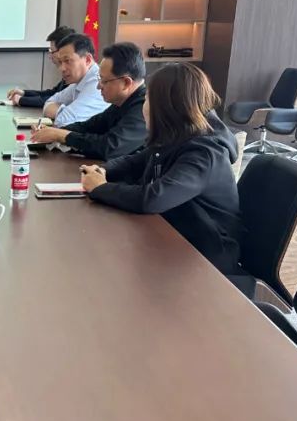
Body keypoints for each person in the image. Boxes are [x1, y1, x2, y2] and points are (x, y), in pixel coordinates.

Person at [79, 63, 245, 277]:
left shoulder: (205, 153)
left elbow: (154, 198)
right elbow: (135, 161)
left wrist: (100, 188)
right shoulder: (178, 134)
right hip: (176, 235)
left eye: (148, 99)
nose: (144, 106)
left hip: (207, 257)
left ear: (167, 106)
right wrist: (102, 171)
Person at [30, 41, 147, 161]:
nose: (98, 86)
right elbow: (90, 126)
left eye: (104, 81)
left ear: (126, 83)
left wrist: (61, 135)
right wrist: (55, 131)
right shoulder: (121, 102)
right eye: (99, 79)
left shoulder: (145, 107)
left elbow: (110, 147)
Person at [38, 33, 107, 126]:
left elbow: (63, 120)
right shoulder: (79, 81)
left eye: (67, 61)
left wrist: (62, 111)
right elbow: (49, 102)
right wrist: (65, 111)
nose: (62, 68)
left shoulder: (97, 83)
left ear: (87, 59)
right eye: (60, 62)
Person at [7, 25, 74, 108]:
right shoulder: (67, 73)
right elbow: (52, 93)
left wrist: (21, 100)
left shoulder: (74, 76)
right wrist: (23, 93)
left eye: (52, 51)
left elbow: (55, 100)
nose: (50, 56)